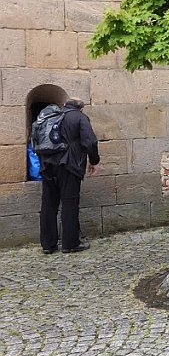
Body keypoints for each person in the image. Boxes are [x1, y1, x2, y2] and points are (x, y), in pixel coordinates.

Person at [39, 98, 100, 254]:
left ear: (65, 105)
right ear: (80, 108)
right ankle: (70, 244)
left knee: (48, 205)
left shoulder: (50, 116)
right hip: (68, 166)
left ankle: (48, 245)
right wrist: (94, 161)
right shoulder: (79, 117)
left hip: (47, 165)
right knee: (69, 204)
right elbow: (90, 141)